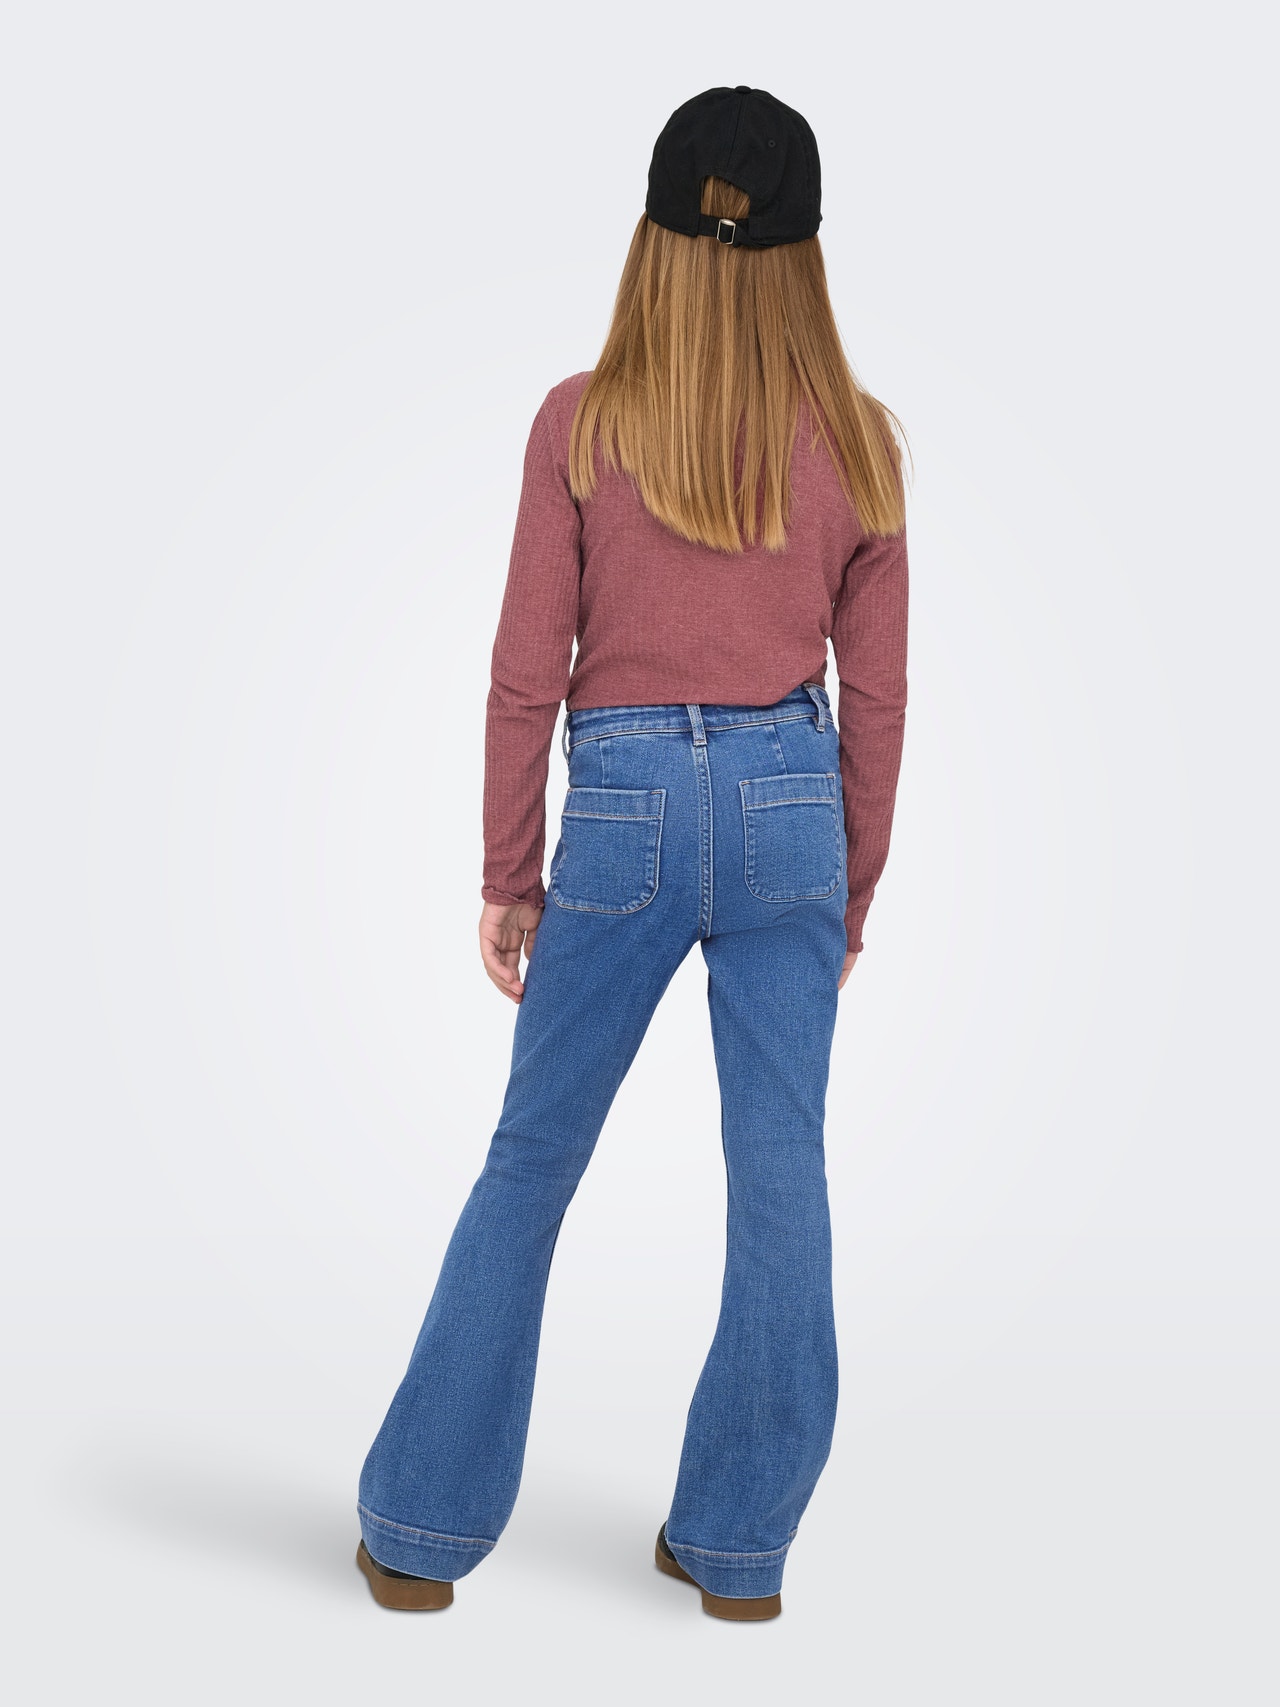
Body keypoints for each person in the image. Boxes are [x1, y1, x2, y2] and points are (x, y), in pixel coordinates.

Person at [355, 85, 909, 1622]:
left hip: (624, 804)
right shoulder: (862, 442)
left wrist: (508, 871)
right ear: (806, 256)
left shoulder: (581, 422)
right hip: (793, 803)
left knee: (533, 1158)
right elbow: (881, 696)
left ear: (653, 240)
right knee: (781, 1167)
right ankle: (737, 1553)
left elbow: (523, 670)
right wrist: (851, 883)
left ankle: (419, 1536)